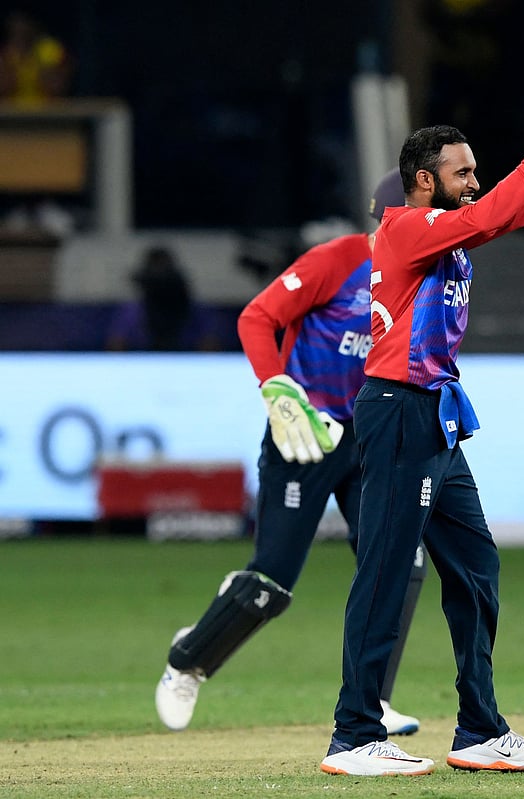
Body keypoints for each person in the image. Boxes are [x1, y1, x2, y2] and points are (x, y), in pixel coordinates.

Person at [319, 104, 524, 777]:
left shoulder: (447, 233)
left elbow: (522, 208)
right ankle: (354, 733)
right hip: (401, 409)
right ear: (424, 181)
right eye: (461, 171)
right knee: (384, 567)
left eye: (475, 170)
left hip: (434, 413)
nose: (474, 179)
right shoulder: (407, 228)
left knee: (475, 567)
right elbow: (492, 213)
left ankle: (479, 728)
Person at [154, 171, 425, 736]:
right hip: (304, 433)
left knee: (404, 562)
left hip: (370, 436)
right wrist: (276, 390)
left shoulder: (431, 275)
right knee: (271, 581)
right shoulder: (339, 259)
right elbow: (257, 317)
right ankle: (188, 662)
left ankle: (371, 700)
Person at [105, 246, 223, 352]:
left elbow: (211, 348)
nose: (161, 287)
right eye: (155, 280)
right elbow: (116, 347)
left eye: (165, 279)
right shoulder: (131, 312)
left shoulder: (197, 311)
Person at [0, 8, 72, 104]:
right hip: (12, 114)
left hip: (48, 113)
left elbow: (56, 88)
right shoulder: (6, 53)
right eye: (16, 23)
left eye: (24, 22)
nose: (20, 28)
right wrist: (10, 63)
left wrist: (34, 57)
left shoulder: (51, 49)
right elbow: (4, 88)